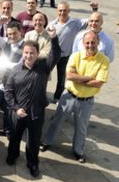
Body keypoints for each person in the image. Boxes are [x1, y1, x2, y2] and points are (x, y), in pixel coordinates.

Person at [41, 31, 109, 163]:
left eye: (93, 42)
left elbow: (99, 83)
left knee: (81, 128)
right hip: (69, 96)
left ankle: (78, 151)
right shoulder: (76, 56)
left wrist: (79, 78)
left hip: (86, 101)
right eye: (87, 43)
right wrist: (90, 78)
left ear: (98, 43)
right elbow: (70, 76)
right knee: (57, 121)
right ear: (83, 44)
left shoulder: (104, 60)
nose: (90, 45)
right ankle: (47, 142)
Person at [4, 26, 61, 178]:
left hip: (36, 113)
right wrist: (16, 108)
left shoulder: (44, 67)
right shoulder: (15, 70)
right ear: (23, 53)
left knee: (33, 141)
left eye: (32, 53)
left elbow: (55, 55)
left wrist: (54, 38)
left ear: (37, 54)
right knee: (15, 137)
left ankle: (33, 163)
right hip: (18, 113)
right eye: (26, 53)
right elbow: (8, 92)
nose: (29, 56)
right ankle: (13, 155)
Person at [0, 20, 24, 135]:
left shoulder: (25, 46)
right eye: (9, 34)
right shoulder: (7, 42)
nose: (11, 36)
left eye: (14, 33)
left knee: (8, 109)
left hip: (12, 85)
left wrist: (5, 63)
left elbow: (19, 66)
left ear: (20, 32)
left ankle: (7, 129)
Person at [49, 1, 93, 101]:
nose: (62, 13)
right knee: (44, 76)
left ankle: (57, 97)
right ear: (57, 11)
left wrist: (94, 10)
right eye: (60, 10)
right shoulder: (51, 24)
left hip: (65, 57)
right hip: (51, 56)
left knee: (61, 79)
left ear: (69, 11)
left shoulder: (75, 23)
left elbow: (91, 21)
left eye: (65, 10)